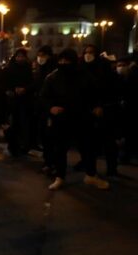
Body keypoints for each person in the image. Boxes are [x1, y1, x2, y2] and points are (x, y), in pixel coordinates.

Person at [40, 49, 109, 190]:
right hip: (62, 119)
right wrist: (51, 108)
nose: (63, 63)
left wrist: (97, 106)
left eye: (67, 60)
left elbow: (96, 93)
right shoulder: (52, 78)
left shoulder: (85, 76)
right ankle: (60, 177)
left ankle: (91, 175)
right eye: (61, 60)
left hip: (82, 118)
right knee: (60, 149)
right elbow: (44, 97)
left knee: (87, 148)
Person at [80, 44, 120, 176]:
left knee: (109, 142)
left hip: (105, 110)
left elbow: (110, 90)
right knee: (88, 142)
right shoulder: (83, 69)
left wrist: (101, 105)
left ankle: (112, 169)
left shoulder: (104, 70)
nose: (88, 54)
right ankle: (88, 168)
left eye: (91, 52)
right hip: (88, 111)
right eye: (86, 52)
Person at [1, 48, 34, 156]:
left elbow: (33, 83)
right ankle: (13, 145)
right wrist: (9, 90)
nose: (20, 58)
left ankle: (24, 145)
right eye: (18, 56)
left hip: (25, 101)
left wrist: (25, 89)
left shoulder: (28, 69)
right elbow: (3, 82)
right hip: (12, 101)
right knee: (12, 124)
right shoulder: (9, 68)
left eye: (22, 56)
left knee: (24, 124)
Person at [33, 46, 58, 173]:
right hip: (41, 108)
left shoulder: (53, 72)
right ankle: (48, 161)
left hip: (51, 108)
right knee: (44, 135)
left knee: (51, 136)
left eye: (43, 55)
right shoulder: (39, 70)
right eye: (39, 55)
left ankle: (53, 162)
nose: (40, 58)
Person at [116, 55, 138, 164]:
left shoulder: (133, 77)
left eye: (123, 65)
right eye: (118, 65)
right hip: (121, 109)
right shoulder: (116, 78)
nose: (120, 67)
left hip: (131, 109)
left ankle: (126, 155)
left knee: (129, 134)